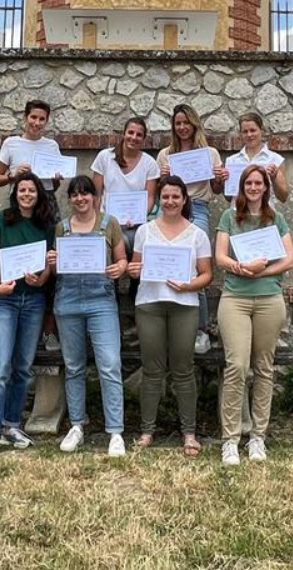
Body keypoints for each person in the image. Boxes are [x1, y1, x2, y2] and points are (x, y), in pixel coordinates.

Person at [0, 172, 54, 462]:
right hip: (4, 300)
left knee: (22, 367)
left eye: (32, 190)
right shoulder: (1, 219)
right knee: (0, 367)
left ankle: (11, 425)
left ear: (38, 194)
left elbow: (48, 267)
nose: (27, 194)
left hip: (33, 300)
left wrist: (40, 279)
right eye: (22, 190)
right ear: (15, 193)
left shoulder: (45, 224)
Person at [216, 165, 293, 466]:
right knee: (236, 366)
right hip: (235, 297)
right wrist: (240, 268)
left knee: (263, 367)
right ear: (242, 186)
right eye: (248, 182)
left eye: (258, 183)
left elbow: (289, 259)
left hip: (269, 298)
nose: (253, 187)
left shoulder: (277, 219)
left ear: (265, 187)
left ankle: (258, 437)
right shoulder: (228, 217)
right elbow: (220, 256)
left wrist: (263, 270)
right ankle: (230, 440)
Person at [127, 175, 213, 455]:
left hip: (185, 304)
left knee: (183, 369)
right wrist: (133, 270)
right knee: (152, 370)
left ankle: (189, 433)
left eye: (176, 196)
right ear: (159, 200)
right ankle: (147, 431)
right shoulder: (145, 231)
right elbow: (135, 267)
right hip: (150, 303)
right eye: (165, 196)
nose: (170, 201)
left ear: (184, 200)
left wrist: (190, 285)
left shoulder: (197, 234)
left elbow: (207, 274)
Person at [46, 175, 128, 457]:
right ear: (69, 199)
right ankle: (77, 425)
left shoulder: (110, 224)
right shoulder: (62, 228)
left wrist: (120, 268)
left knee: (109, 364)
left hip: (101, 301)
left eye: (85, 194)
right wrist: (53, 263)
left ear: (94, 196)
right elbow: (56, 270)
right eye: (75, 195)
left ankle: (115, 431)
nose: (80, 199)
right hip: (67, 300)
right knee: (74, 365)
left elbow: (122, 260)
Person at [0, 98, 62, 350]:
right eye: (33, 117)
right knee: (18, 256)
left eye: (42, 119)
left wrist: (56, 179)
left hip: (47, 204)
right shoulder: (11, 143)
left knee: (51, 261)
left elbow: (55, 185)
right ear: (25, 117)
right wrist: (12, 174)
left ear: (46, 121)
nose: (37, 123)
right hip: (19, 202)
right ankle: (9, 314)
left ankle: (49, 330)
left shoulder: (51, 145)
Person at [156, 103, 225, 354]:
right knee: (169, 263)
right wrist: (162, 177)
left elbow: (217, 191)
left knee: (198, 266)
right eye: (178, 123)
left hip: (198, 208)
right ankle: (168, 325)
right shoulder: (165, 154)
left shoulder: (210, 153)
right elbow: (158, 192)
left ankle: (201, 330)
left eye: (186, 122)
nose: (183, 127)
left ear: (194, 124)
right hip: (171, 209)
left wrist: (219, 179)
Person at [91, 117, 159, 297]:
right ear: (123, 134)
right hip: (106, 220)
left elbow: (150, 197)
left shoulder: (150, 163)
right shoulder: (105, 158)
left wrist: (138, 216)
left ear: (143, 139)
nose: (134, 137)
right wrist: (98, 220)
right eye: (131, 132)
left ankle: (136, 287)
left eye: (139, 135)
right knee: (109, 242)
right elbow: (96, 194)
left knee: (139, 241)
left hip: (135, 222)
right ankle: (110, 294)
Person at [225, 111, 289, 204]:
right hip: (237, 215)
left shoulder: (276, 160)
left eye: (253, 130)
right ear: (241, 134)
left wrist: (274, 179)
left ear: (261, 131)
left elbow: (283, 197)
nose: (249, 135)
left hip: (265, 215)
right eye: (245, 132)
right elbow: (229, 198)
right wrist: (223, 182)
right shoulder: (231, 161)